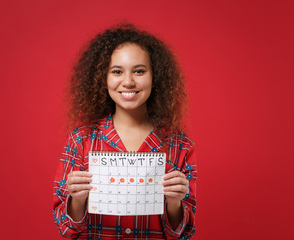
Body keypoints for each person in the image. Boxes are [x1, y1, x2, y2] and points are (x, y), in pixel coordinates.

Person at [53, 23, 197, 239]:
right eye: (117, 71)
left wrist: (175, 202)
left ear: (154, 78)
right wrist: (77, 199)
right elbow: (66, 228)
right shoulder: (80, 140)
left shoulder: (178, 144)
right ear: (103, 79)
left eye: (139, 71)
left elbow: (182, 233)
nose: (128, 82)